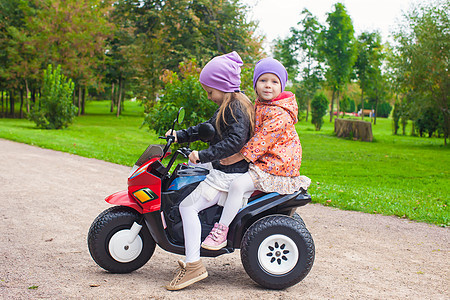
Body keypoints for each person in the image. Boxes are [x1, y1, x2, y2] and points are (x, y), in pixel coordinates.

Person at [164, 51, 255, 291]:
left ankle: (193, 265)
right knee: (188, 173)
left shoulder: (235, 109)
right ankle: (191, 255)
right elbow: (207, 129)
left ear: (222, 86)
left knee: (187, 206)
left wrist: (203, 155)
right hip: (224, 170)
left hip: (229, 175)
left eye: (210, 91)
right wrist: (179, 135)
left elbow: (234, 142)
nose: (208, 96)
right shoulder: (230, 104)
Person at [201, 57, 311, 251]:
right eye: (263, 80)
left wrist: (232, 158)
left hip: (275, 166)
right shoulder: (261, 105)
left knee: (237, 185)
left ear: (281, 85)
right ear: (255, 84)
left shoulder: (279, 114)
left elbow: (259, 143)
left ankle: (221, 230)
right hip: (265, 161)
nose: (268, 86)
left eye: (274, 81)